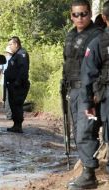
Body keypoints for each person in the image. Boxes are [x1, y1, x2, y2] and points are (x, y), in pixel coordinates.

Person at [62, 0, 103, 189]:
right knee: (77, 131)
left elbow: (99, 68)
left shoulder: (97, 36)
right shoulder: (71, 35)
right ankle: (87, 171)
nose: (80, 18)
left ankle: (89, 175)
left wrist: (95, 93)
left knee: (85, 132)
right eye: (76, 15)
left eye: (84, 14)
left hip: (88, 91)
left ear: (90, 14)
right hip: (73, 90)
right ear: (71, 16)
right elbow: (67, 63)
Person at [80, 1, 109, 189]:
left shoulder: (98, 42)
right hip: (102, 97)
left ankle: (89, 174)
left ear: (104, 18)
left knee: (86, 130)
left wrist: (87, 102)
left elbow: (87, 75)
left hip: (102, 99)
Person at [4, 36, 30, 133]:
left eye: (10, 44)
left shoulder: (21, 54)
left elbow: (23, 70)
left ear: (16, 44)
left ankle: (18, 126)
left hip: (19, 85)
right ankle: (16, 125)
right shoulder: (16, 55)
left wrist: (17, 82)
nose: (9, 46)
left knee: (17, 105)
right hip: (13, 84)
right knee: (13, 105)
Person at [0, 46, 13, 120]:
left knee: (7, 98)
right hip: (14, 80)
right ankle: (13, 114)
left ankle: (9, 115)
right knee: (13, 97)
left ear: (6, 52)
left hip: (5, 80)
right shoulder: (15, 58)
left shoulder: (4, 59)